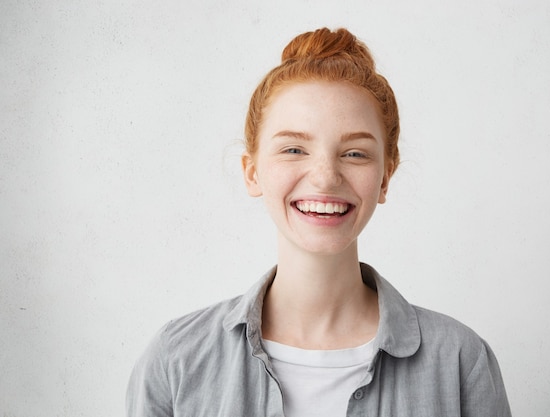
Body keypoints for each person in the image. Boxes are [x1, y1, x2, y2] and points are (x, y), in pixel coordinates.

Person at [126, 27, 512, 417]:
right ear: (252, 172)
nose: (326, 176)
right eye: (294, 149)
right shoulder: (175, 361)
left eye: (356, 154)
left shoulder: (461, 361)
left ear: (385, 177)